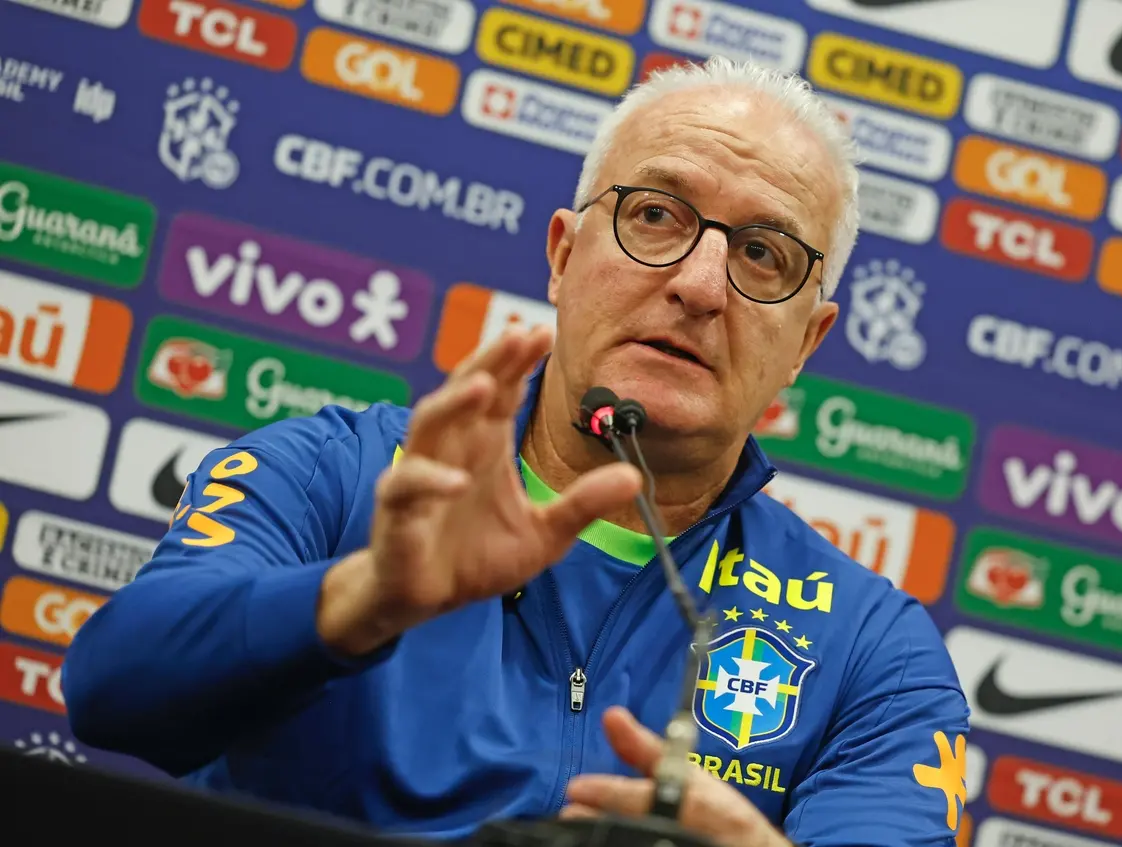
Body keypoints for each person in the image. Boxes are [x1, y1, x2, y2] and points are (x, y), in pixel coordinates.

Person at [64, 56, 971, 847]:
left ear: (806, 341)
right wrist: (366, 595)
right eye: (656, 214)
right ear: (563, 256)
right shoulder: (332, 475)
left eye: (764, 254)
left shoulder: (873, 650)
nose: (700, 285)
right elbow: (111, 691)